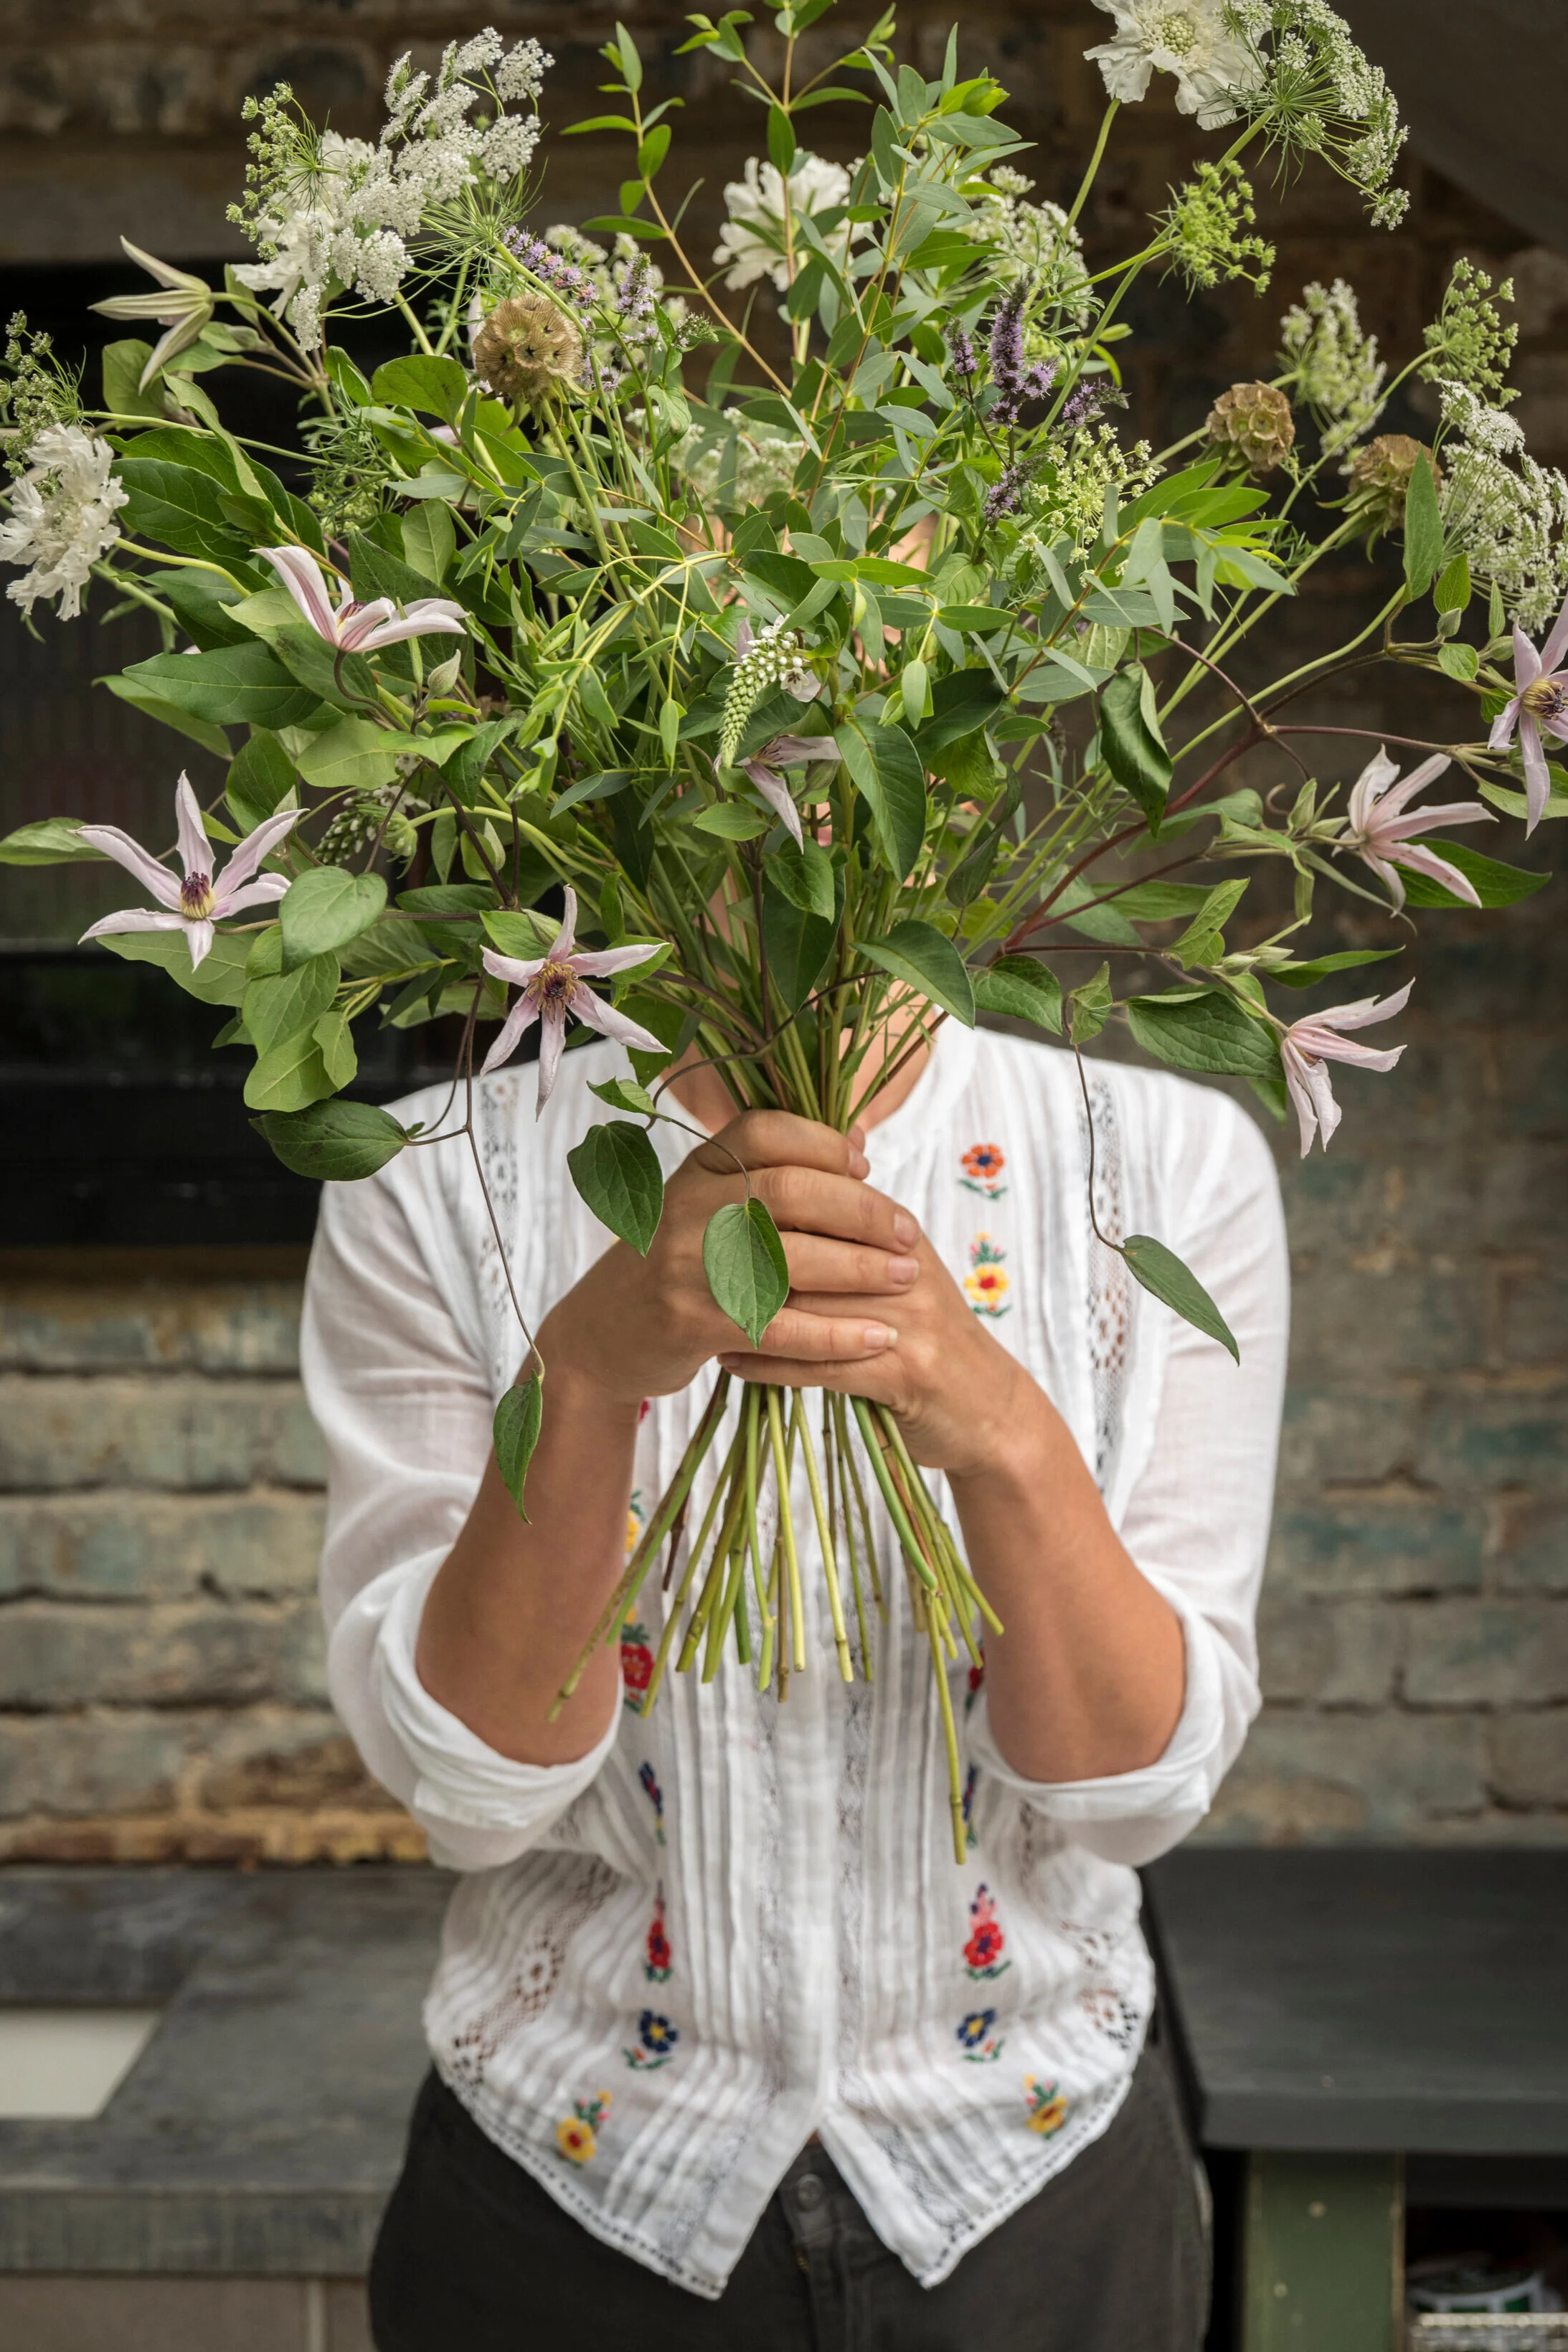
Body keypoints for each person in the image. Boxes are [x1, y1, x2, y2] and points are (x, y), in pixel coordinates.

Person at [301, 1012, 1288, 2351]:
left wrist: (1002, 1432)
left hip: (1031, 2191)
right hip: (570, 2190)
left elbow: (1130, 1796)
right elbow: (475, 1791)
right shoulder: (438, 1168)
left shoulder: (1160, 1158)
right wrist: (585, 1372)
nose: (806, 803)